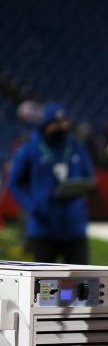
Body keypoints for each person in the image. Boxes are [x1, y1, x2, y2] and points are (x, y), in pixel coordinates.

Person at [7, 102, 96, 264]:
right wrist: (32, 205)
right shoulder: (30, 150)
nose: (62, 127)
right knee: (44, 286)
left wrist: (87, 187)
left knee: (81, 284)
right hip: (44, 228)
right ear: (46, 125)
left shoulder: (76, 147)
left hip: (74, 227)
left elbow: (90, 177)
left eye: (64, 122)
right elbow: (14, 184)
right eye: (57, 123)